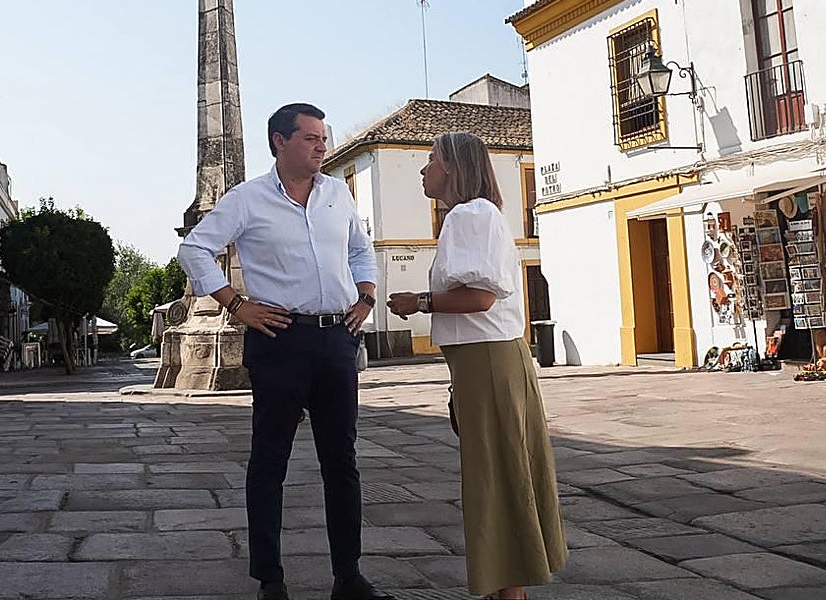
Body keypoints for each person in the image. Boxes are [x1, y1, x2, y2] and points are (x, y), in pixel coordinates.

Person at [178, 103, 392, 600]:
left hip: (337, 339)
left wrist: (365, 295)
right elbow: (194, 248)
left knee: (341, 460)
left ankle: (349, 576)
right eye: (312, 137)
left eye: (324, 137)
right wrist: (235, 304)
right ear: (280, 141)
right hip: (279, 340)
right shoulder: (247, 200)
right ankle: (270, 580)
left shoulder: (338, 194)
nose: (322, 145)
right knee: (269, 461)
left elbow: (361, 248)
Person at [387, 132, 567, 600]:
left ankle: (508, 591)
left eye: (431, 160)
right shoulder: (475, 216)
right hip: (486, 362)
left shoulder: (469, 215)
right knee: (504, 472)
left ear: (452, 167)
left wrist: (418, 301)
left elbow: (480, 297)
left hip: (488, 362)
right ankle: (509, 586)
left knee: (497, 476)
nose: (423, 170)